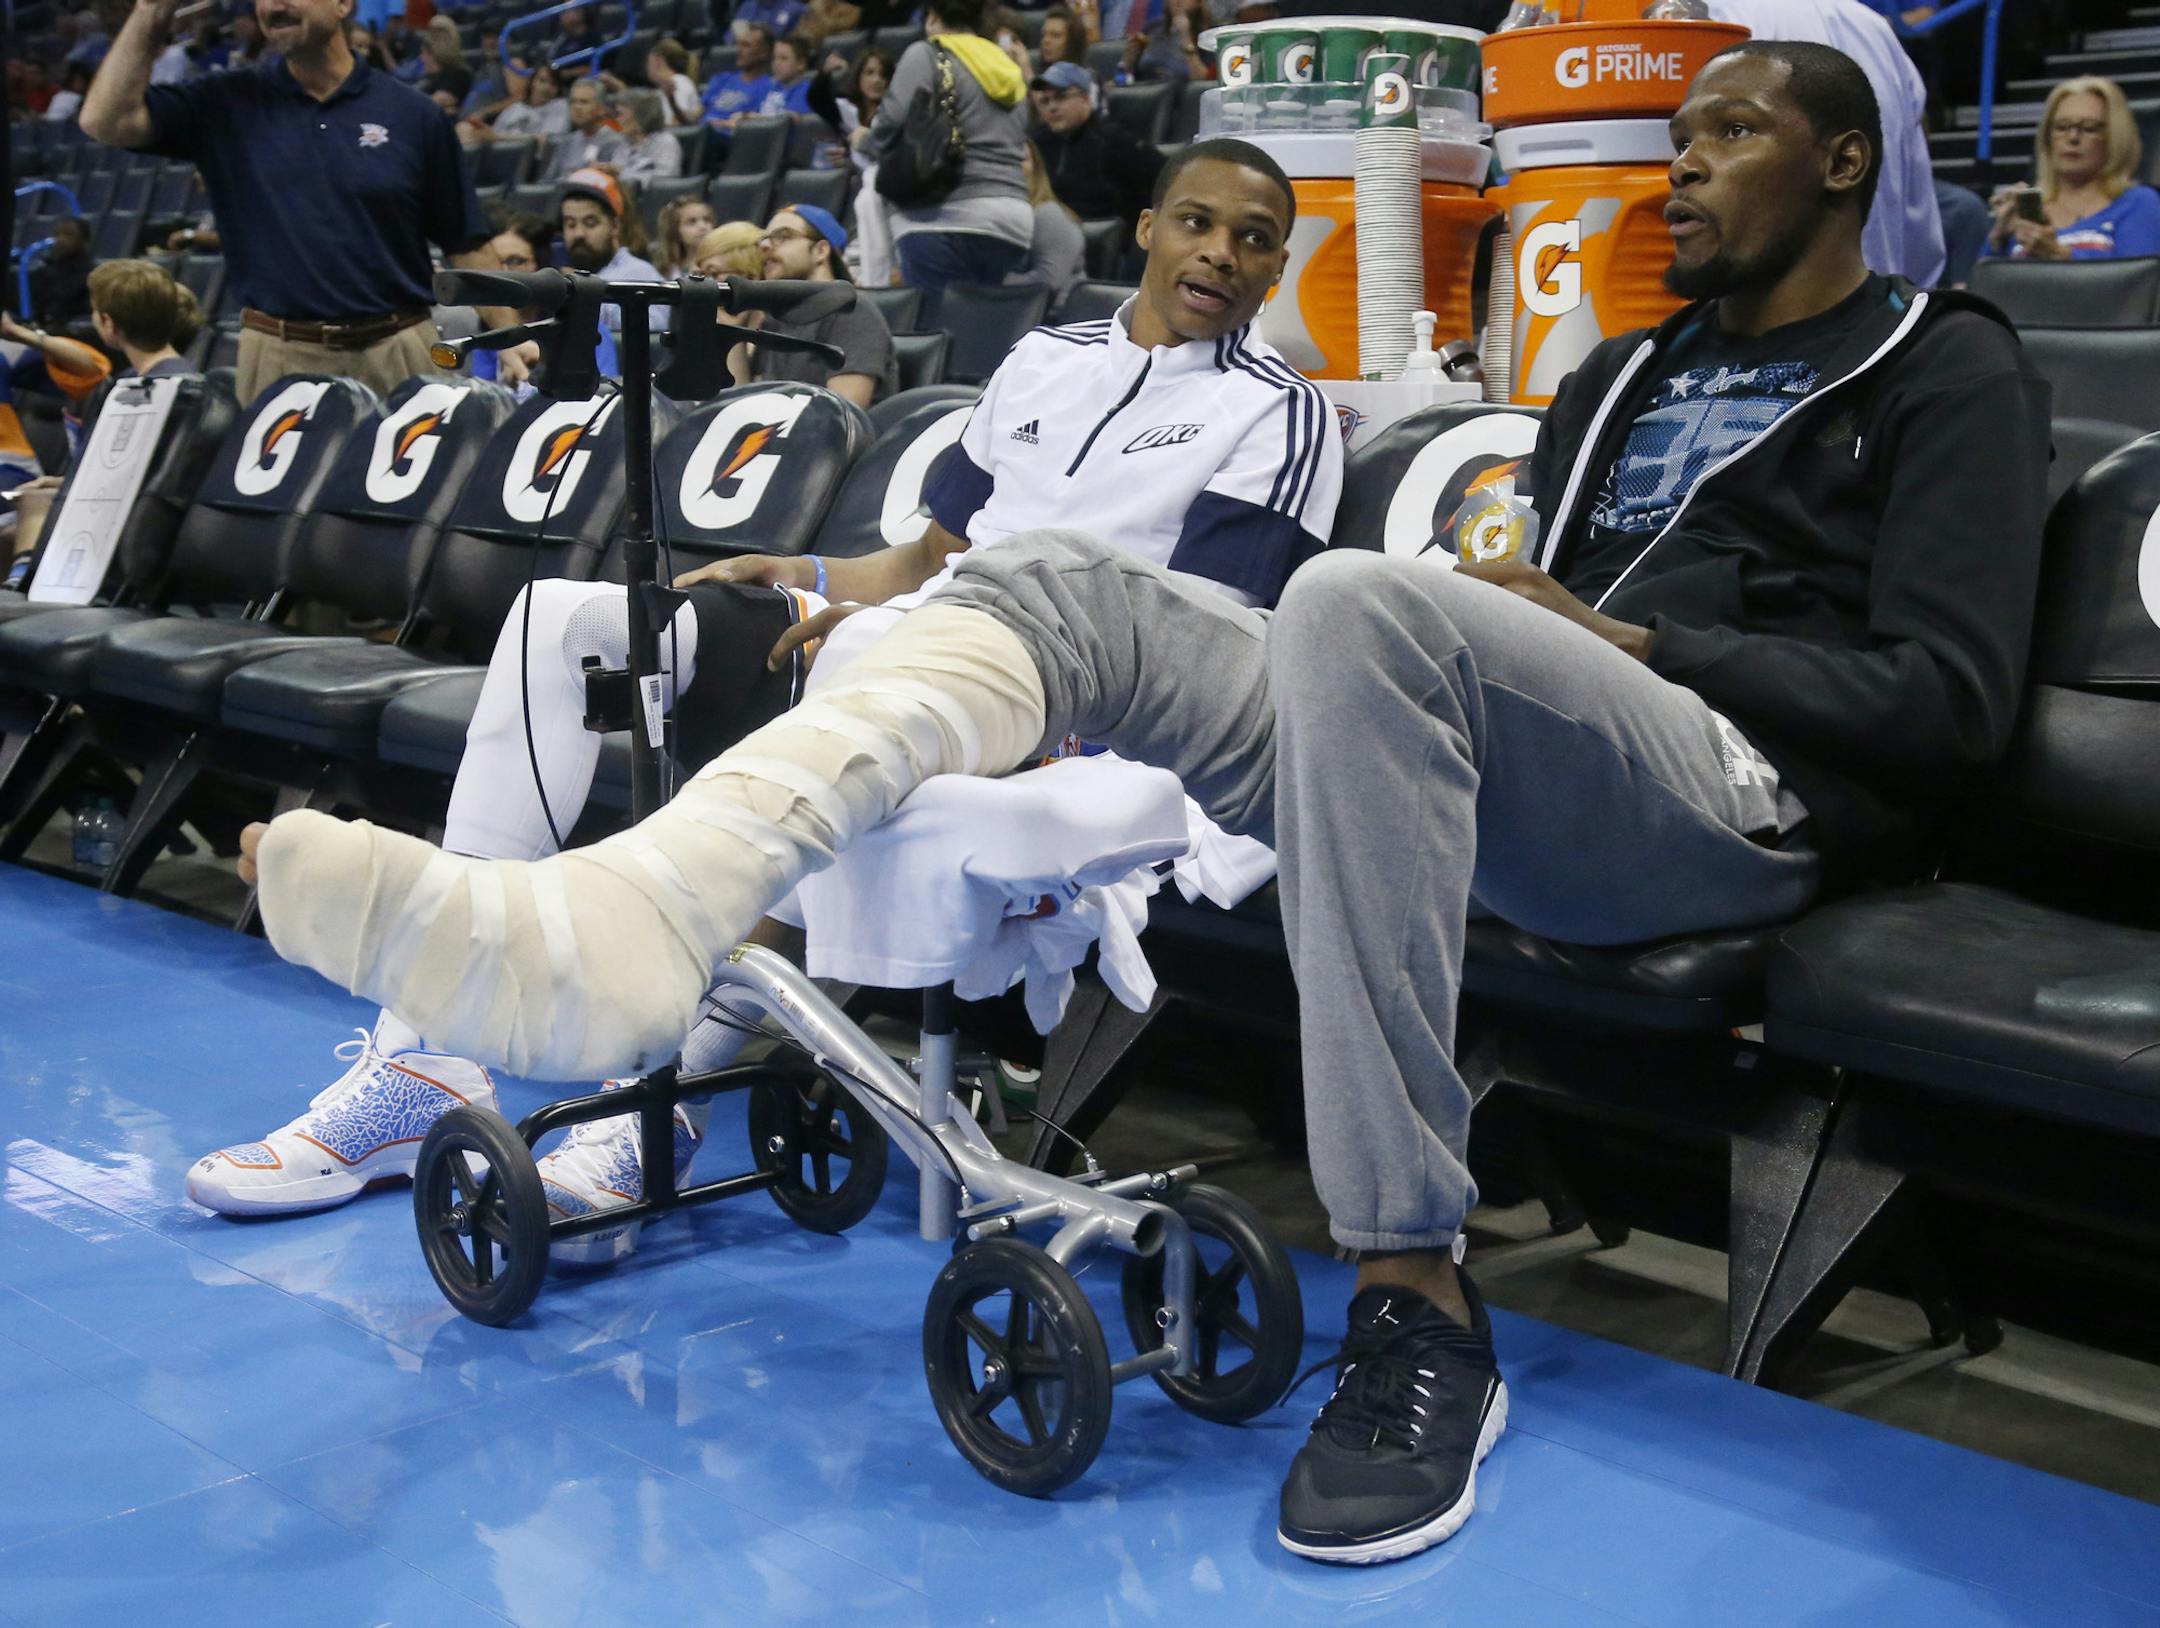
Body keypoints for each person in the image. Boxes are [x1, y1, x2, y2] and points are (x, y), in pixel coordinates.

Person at [240, 46, 2051, 1565]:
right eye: (1677, 137)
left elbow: (1948, 709)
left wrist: (1622, 630)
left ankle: (1417, 1303)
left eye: (1728, 135)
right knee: (1039, 587)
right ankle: (651, 909)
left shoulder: (1946, 362)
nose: (1683, 168)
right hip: (1514, 753)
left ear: (1842, 159)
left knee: (1347, 594)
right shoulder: (1621, 372)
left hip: (1729, 798)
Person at [197, 139, 1344, 1259]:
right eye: (1197, 222)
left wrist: (913, 635)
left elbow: (1194, 650)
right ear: (1147, 228)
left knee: (852, 691)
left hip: (1048, 693)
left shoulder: (1279, 415)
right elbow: (921, 559)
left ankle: (666, 1094)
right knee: (568, 617)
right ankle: (420, 1059)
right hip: (899, 631)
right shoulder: (1045, 357)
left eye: (1255, 241)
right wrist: (804, 574)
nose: (1221, 255)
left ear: (1275, 268)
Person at [79, 0, 504, 404]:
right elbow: (105, 120)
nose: (272, 6)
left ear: (343, 5)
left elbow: (465, 242)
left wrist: (510, 339)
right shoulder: (225, 103)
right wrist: (151, 11)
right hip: (279, 357)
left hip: (401, 350)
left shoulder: (414, 114)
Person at [1705, 0, 1941, 283]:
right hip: (1883, 307)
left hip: (1755, 310)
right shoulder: (1875, 28)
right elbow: (1920, 235)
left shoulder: (1710, 18)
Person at [870, 0, 1032, 320]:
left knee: (938, 342)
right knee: (982, 339)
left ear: (932, 16)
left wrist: (865, 138)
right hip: (1011, 222)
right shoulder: (1006, 65)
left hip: (944, 217)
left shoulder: (927, 53)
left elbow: (890, 122)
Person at [1984, 76, 2160, 262]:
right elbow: (1980, 286)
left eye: (2089, 128)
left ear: (2115, 138)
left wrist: (2059, 254)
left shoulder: (2138, 203)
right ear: (2047, 138)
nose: (2073, 137)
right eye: (2061, 127)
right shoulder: (2026, 209)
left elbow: (2138, 284)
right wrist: (1998, 240)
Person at [737, 204, 896, 404]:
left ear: (820, 251)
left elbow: (843, 415)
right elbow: (739, 404)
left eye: (783, 236)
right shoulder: (775, 320)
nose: (765, 246)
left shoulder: (851, 311)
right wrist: (735, 327)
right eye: (764, 240)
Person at [1032, 61, 1163, 228]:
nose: (1052, 107)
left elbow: (1163, 178)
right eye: (1045, 100)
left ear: (1085, 98)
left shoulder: (1114, 141)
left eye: (1060, 97)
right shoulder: (1036, 143)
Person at [557, 168, 670, 350]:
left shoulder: (638, 271)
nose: (579, 233)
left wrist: (584, 298)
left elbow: (656, 334)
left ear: (615, 226)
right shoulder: (566, 277)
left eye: (590, 223)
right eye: (570, 224)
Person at [1011, 138, 1086, 305]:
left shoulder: (1049, 214)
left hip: (1055, 320)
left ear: (1036, 169)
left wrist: (988, 282)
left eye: (1021, 159)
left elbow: (1049, 281)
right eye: (1005, 161)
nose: (1012, 167)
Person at [540, 76, 631, 178]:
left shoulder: (614, 143)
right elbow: (548, 181)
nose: (577, 107)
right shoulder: (566, 142)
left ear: (601, 108)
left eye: (584, 102)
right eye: (573, 102)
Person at [703, 21, 774, 129]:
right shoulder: (721, 79)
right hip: (701, 132)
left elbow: (756, 127)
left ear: (763, 53)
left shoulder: (769, 88)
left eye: (746, 45)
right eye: (739, 44)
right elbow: (698, 112)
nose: (739, 50)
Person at [1121, 0, 1211, 85]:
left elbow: (1203, 81)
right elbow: (1129, 76)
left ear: (1199, 2)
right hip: (1147, 93)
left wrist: (1185, 38)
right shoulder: (1153, 28)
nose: (1177, 1)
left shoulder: (1208, 35)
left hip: (1183, 97)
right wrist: (1128, 62)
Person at [485, 60, 570, 140]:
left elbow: (545, 141)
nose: (546, 88)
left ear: (558, 89)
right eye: (542, 81)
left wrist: (499, 137)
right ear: (532, 82)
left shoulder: (560, 106)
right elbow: (493, 135)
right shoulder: (514, 108)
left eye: (553, 84)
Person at [616, 88, 686, 182]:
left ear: (640, 115)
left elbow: (664, 179)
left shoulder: (666, 142)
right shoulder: (624, 141)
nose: (617, 120)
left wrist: (622, 172)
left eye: (620, 114)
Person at [655, 195, 720, 275]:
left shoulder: (722, 266)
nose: (703, 227)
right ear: (675, 230)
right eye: (692, 222)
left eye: (707, 220)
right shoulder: (667, 270)